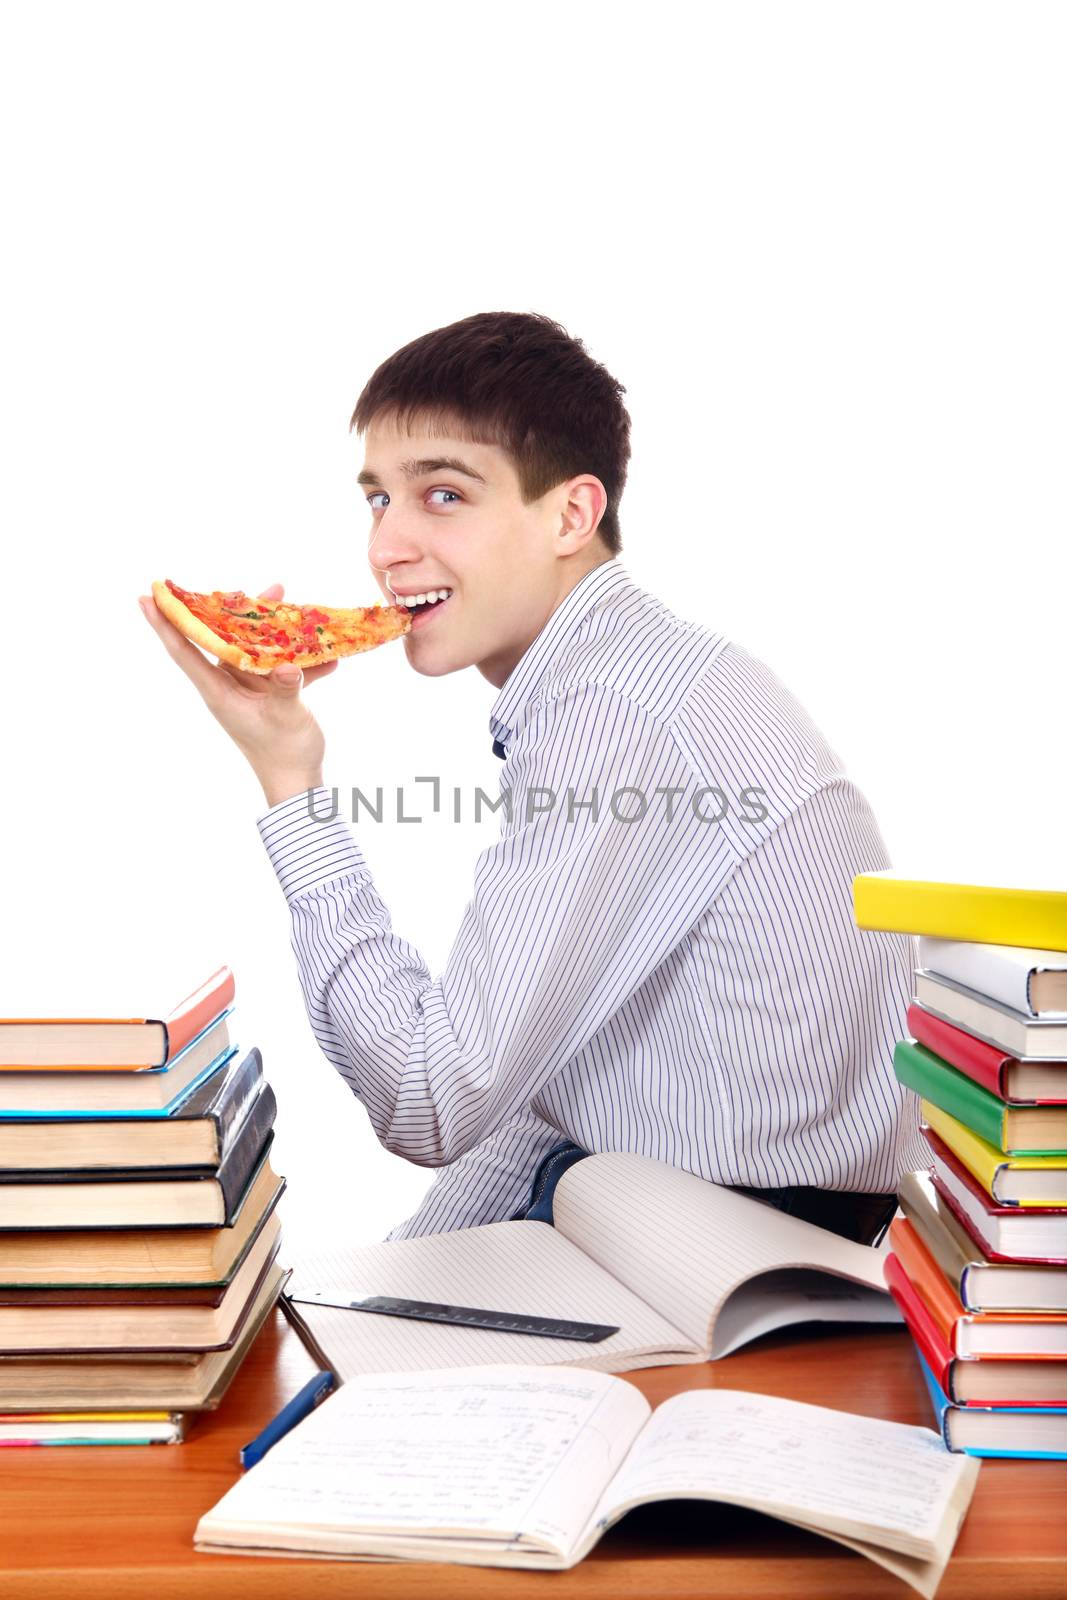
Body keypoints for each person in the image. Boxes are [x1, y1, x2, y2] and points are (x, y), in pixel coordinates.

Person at [139, 309, 924, 1247]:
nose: (385, 548)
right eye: (376, 499)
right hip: (660, 1214)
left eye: (441, 496)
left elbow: (429, 1099)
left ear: (570, 515)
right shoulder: (627, 673)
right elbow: (544, 1098)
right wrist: (390, 1288)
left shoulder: (615, 708)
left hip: (742, 1263)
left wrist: (289, 778)